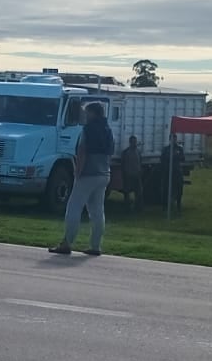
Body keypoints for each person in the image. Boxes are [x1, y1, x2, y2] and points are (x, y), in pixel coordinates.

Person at [50, 102, 114, 256]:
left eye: (87, 112)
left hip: (88, 173)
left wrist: (77, 173)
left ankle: (67, 242)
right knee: (97, 211)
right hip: (104, 173)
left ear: (93, 113)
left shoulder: (87, 130)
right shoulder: (107, 129)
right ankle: (95, 246)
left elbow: (82, 152)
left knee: (74, 207)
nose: (85, 115)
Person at [159, 140, 187, 211]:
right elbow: (162, 158)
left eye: (175, 139)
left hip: (177, 172)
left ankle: (178, 204)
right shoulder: (166, 149)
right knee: (165, 189)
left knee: (179, 188)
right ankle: (164, 205)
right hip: (168, 172)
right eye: (172, 139)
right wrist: (171, 157)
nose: (173, 141)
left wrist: (175, 156)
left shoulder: (179, 148)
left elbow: (183, 158)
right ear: (170, 140)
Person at [120, 135, 143, 212]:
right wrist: (124, 174)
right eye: (133, 142)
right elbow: (122, 164)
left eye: (135, 142)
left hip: (137, 175)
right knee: (127, 193)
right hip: (128, 175)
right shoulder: (125, 152)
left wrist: (140, 171)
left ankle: (138, 208)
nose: (134, 143)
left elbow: (140, 162)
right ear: (130, 142)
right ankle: (127, 208)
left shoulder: (138, 152)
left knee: (139, 193)